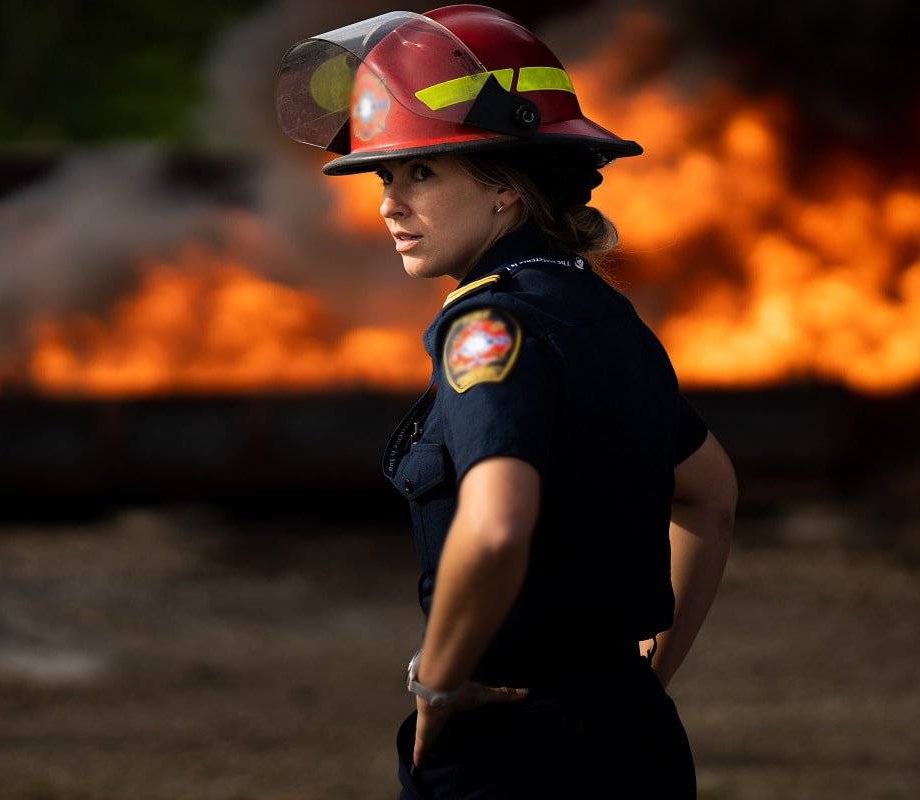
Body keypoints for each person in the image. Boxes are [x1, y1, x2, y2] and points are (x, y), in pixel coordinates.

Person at [276, 6, 737, 798]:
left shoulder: (486, 326)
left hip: (513, 755)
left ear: (505, 188)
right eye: (387, 175)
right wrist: (648, 676)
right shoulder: (605, 314)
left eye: (422, 171)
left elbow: (494, 524)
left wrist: (439, 685)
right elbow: (711, 492)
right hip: (638, 742)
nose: (389, 201)